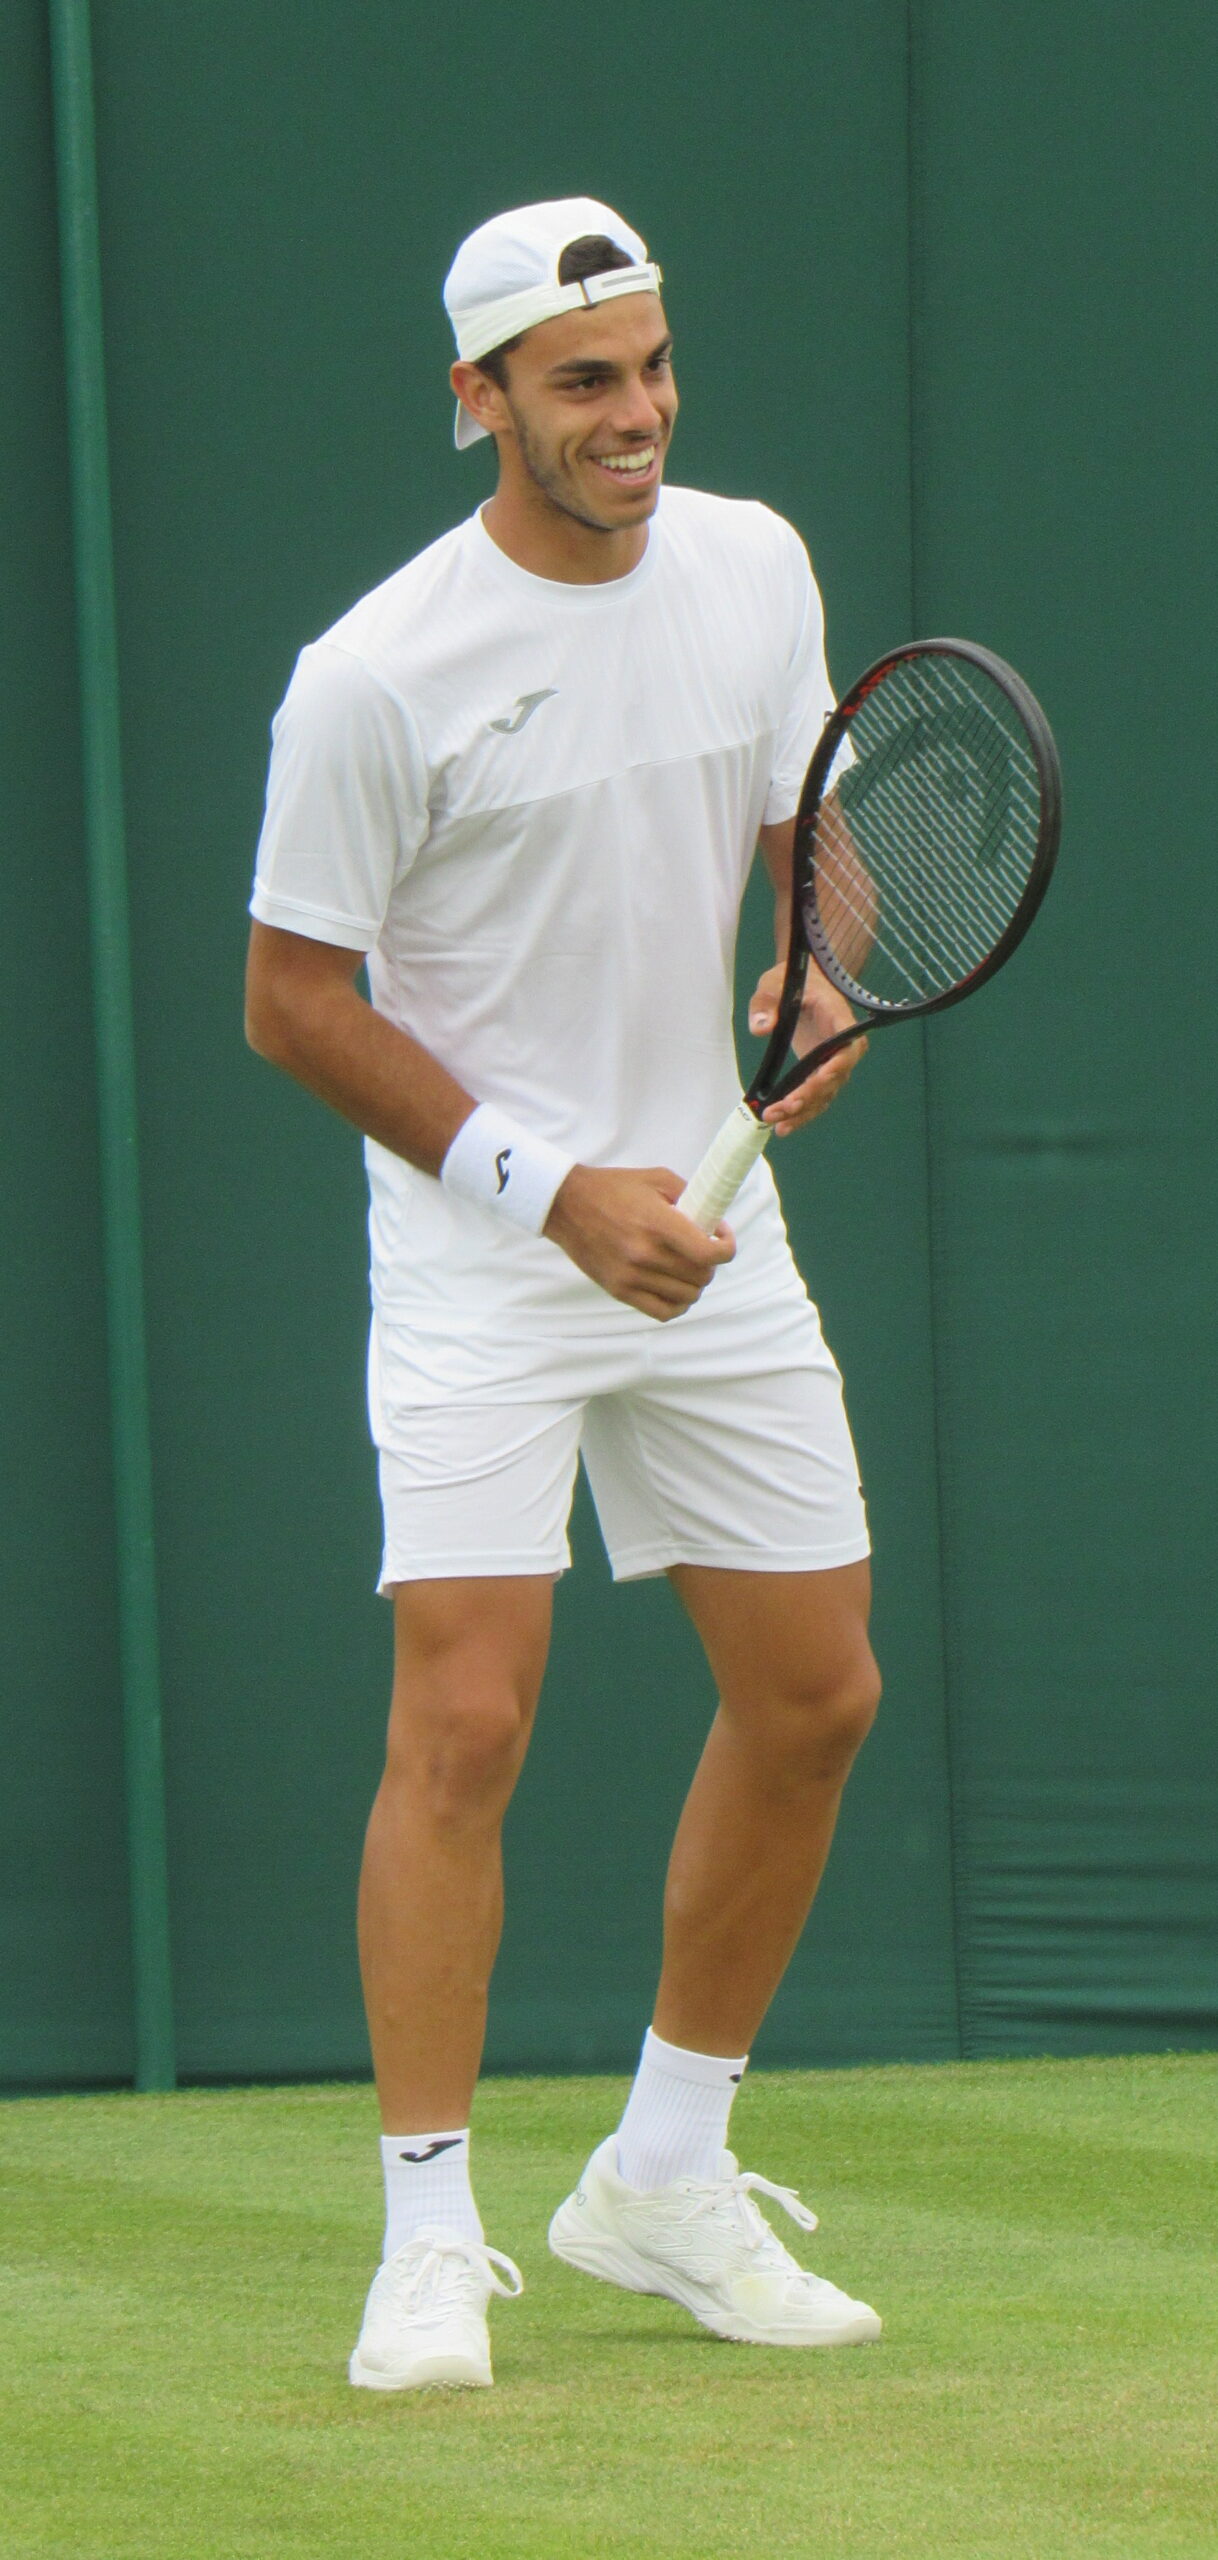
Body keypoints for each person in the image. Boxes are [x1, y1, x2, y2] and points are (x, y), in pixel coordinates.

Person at [246, 196, 882, 2392]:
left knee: (816, 1695)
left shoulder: (755, 566)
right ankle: (431, 2232)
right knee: (465, 1721)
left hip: (709, 1221)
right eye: (583, 379)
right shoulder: (373, 674)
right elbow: (290, 1001)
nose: (637, 412)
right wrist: (544, 1190)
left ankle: (663, 2172)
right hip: (486, 1245)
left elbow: (806, 829)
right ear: (481, 398)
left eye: (654, 365)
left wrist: (818, 962)